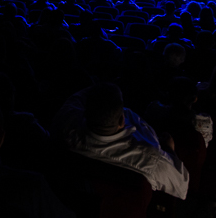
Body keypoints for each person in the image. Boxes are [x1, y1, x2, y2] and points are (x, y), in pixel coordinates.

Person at [52, 82, 190, 200]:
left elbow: (81, 95)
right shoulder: (151, 159)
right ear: (121, 120)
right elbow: (182, 185)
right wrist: (169, 148)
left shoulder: (66, 124)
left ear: (85, 113)